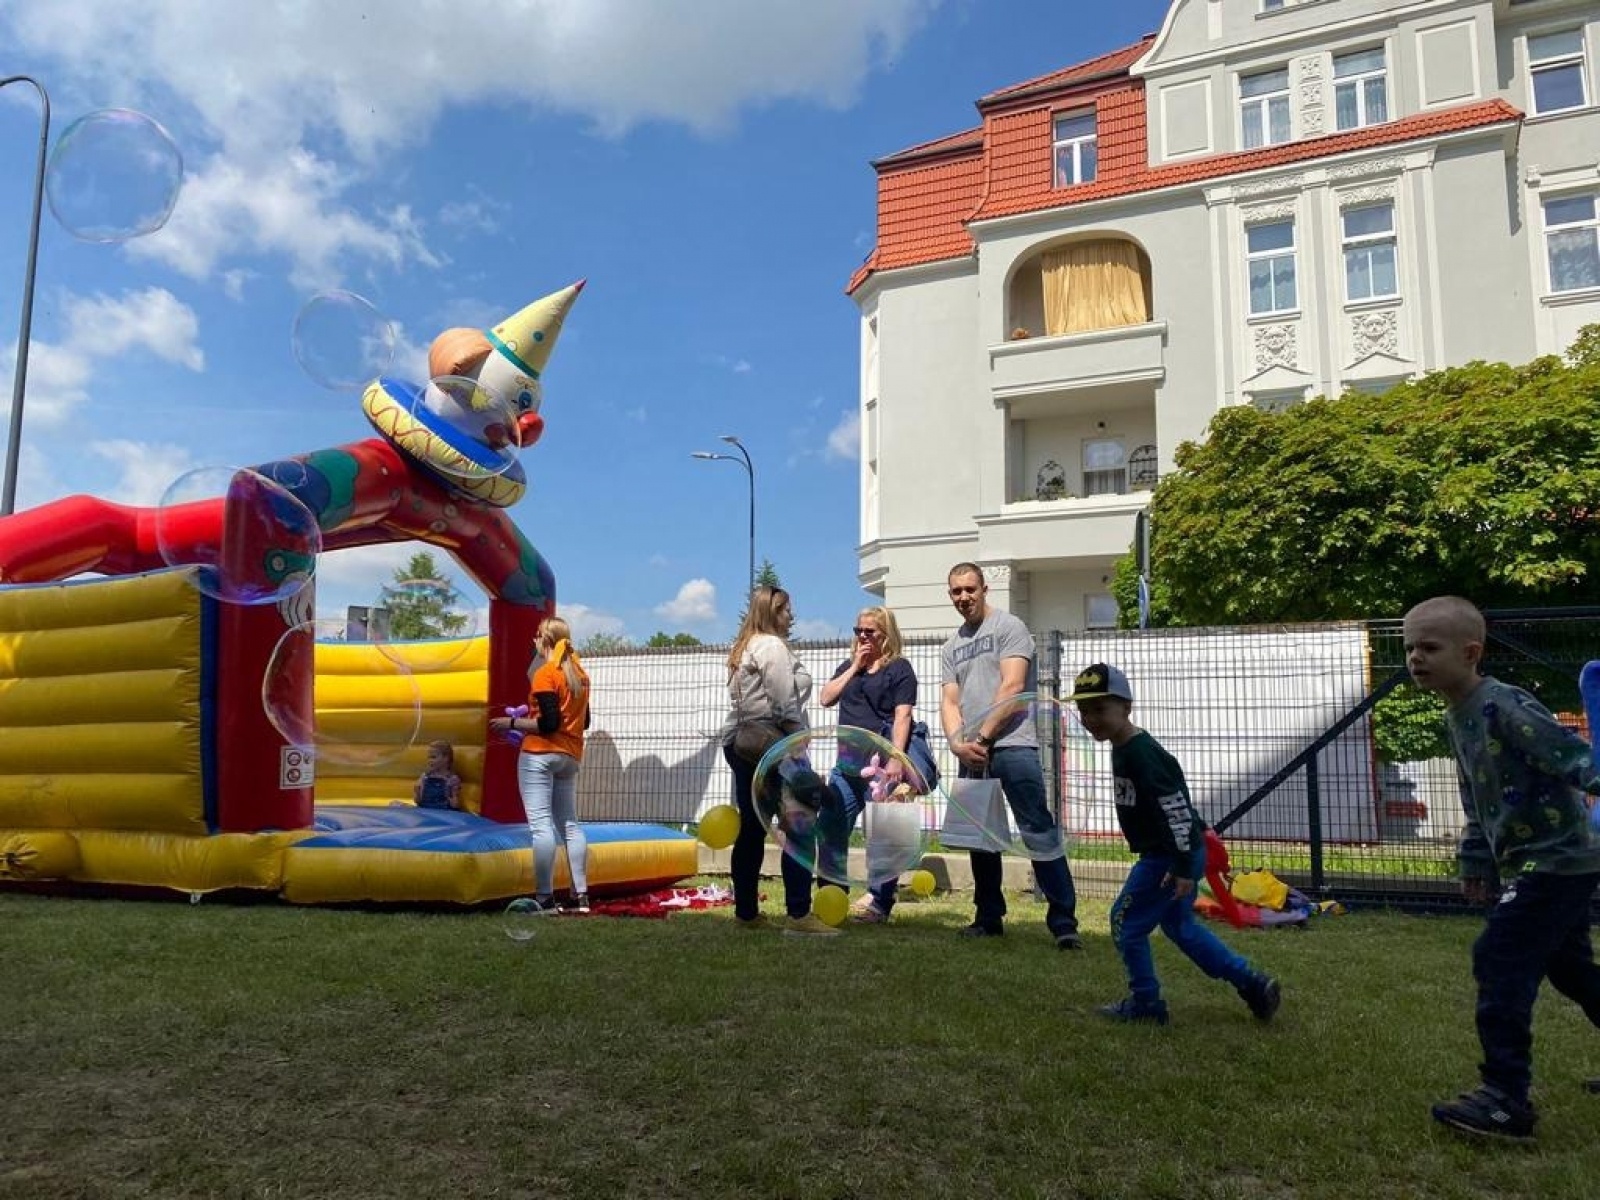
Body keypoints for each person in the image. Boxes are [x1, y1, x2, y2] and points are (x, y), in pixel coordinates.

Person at [1402, 595, 1600, 1142]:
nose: (1415, 658)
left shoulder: (1503, 704)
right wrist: (1476, 860)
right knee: (1572, 971)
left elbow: (1569, 754)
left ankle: (1505, 1098)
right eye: (1410, 648)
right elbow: (1475, 799)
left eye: (1429, 647)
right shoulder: (1457, 715)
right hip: (1536, 862)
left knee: (1499, 956)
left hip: (1556, 859)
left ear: (1471, 653)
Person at [1068, 662, 1281, 1026]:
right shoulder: (1123, 746)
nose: (1090, 719)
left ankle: (1146, 1003)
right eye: (1084, 711)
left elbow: (1174, 809)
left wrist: (1182, 865)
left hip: (1168, 857)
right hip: (1176, 852)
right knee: (1180, 927)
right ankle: (1253, 983)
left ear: (1126, 707)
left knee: (1125, 922)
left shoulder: (1141, 753)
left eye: (1100, 709)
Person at [940, 563, 1080, 948]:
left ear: (984, 589)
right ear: (950, 595)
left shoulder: (1009, 627)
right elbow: (949, 701)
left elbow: (1013, 687)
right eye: (956, 591)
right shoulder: (951, 646)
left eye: (970, 589)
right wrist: (957, 743)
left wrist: (983, 738)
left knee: (1037, 829)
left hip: (1013, 745)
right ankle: (988, 918)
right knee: (980, 839)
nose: (964, 597)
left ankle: (1064, 924)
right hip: (972, 752)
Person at [720, 585, 837, 937]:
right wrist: (798, 747)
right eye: (786, 610)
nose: (791, 616)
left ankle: (746, 912)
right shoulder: (771, 646)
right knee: (799, 825)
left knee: (752, 828)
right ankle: (799, 914)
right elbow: (784, 702)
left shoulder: (744, 647)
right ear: (772, 613)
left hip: (741, 745)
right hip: (774, 744)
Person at [818, 605, 922, 924]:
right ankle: (831, 896)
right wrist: (855, 666)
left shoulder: (899, 669)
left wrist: (896, 758)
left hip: (879, 769)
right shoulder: (848, 667)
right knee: (831, 827)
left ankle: (879, 903)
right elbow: (825, 698)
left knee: (883, 836)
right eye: (858, 631)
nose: (863, 636)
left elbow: (903, 716)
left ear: (886, 634)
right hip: (846, 767)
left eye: (870, 631)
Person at [489, 616, 592, 915]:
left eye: (536, 637)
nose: (533, 641)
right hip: (570, 756)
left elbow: (548, 724)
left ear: (543, 640)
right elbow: (585, 721)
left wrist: (510, 723)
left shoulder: (545, 674)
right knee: (570, 825)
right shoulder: (581, 674)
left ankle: (544, 898)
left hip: (539, 754)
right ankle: (581, 896)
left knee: (541, 827)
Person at [413, 740, 463, 810]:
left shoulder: (452, 779)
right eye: (429, 757)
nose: (429, 760)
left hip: (442, 812)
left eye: (433, 757)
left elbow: (455, 805)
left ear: (446, 758)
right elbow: (418, 802)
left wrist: (454, 802)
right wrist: (417, 793)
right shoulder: (425, 777)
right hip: (425, 811)